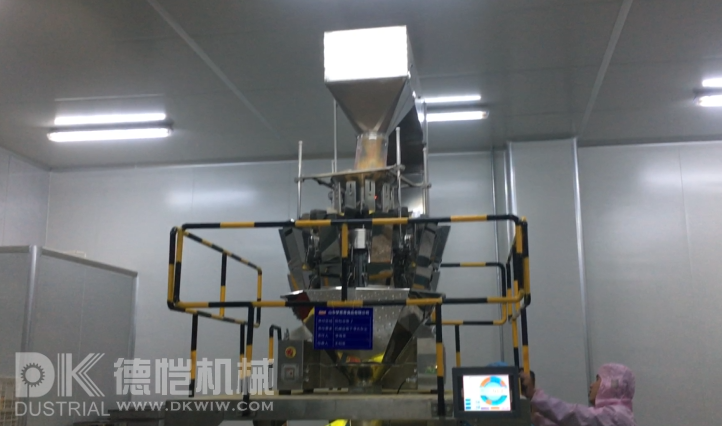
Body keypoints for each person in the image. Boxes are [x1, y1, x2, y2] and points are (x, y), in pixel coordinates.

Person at [520, 363, 636, 426]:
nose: (592, 385)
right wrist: (538, 418)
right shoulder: (612, 416)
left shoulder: (616, 416)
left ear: (609, 384)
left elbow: (574, 415)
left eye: (598, 380)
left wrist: (535, 395)